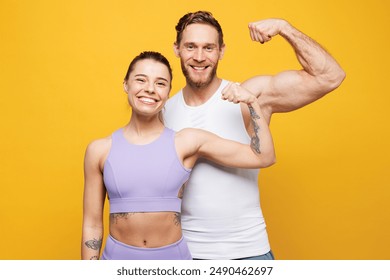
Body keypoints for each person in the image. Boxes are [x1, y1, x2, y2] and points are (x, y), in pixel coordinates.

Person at [163, 11, 346, 260]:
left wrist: (285, 28)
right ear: (177, 49)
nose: (199, 57)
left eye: (208, 47)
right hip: (185, 254)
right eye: (190, 46)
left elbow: (330, 76)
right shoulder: (162, 111)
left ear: (222, 50)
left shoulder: (250, 96)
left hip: (248, 252)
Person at [81, 51, 275, 260]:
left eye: (160, 83)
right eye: (141, 80)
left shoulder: (186, 142)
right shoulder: (99, 150)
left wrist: (252, 102)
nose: (150, 89)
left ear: (168, 92)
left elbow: (263, 156)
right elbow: (92, 224)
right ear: (126, 84)